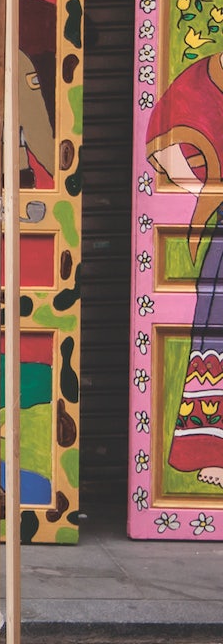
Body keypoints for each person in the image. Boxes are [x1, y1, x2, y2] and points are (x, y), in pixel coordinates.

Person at [145, 51, 223, 490]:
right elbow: (162, 141)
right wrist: (207, 189)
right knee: (218, 341)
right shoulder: (205, 76)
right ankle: (212, 450)